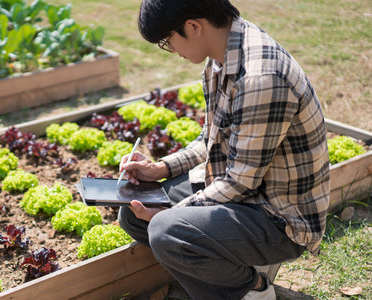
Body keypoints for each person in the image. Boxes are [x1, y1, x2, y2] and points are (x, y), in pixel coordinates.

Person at [118, 0, 331, 299]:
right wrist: (161, 168)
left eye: (167, 41)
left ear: (193, 26)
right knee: (132, 213)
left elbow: (240, 182)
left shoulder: (259, 78)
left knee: (166, 230)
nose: (172, 50)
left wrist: (169, 215)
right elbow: (212, 136)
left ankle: (253, 291)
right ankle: (231, 280)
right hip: (247, 193)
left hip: (280, 217)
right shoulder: (222, 56)